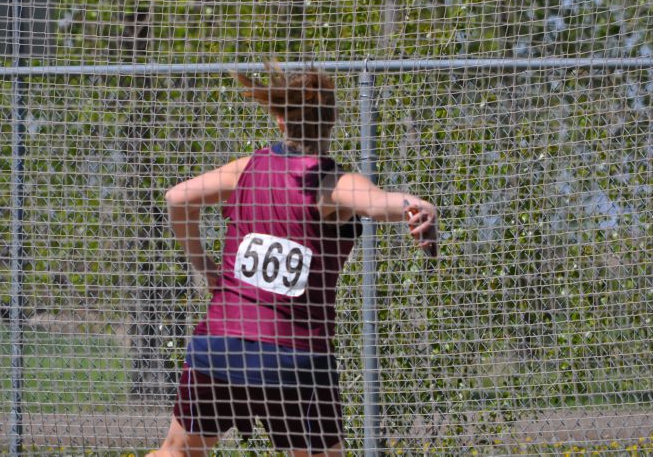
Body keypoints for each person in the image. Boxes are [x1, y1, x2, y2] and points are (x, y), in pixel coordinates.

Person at [148, 64, 437, 457]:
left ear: (281, 120)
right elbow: (380, 203)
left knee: (176, 450)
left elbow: (177, 198)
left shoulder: (246, 169)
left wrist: (205, 267)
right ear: (332, 120)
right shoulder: (331, 182)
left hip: (219, 346)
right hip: (294, 360)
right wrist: (416, 206)